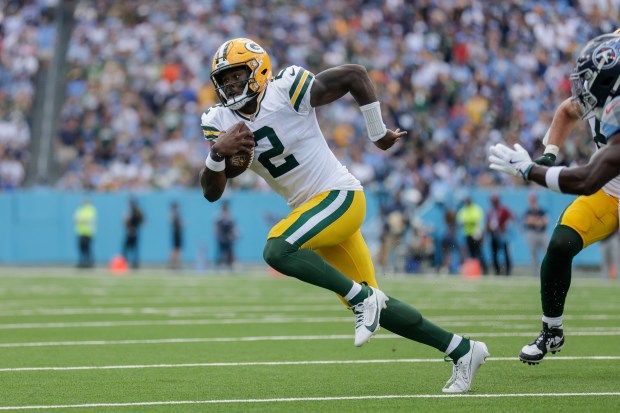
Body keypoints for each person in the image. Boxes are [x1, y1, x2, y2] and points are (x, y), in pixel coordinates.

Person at [199, 37, 488, 393]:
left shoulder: (286, 89)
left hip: (340, 196)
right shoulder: (219, 121)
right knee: (379, 306)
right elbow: (212, 192)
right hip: (312, 210)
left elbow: (355, 75)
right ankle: (462, 349)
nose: (229, 86)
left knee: (276, 249)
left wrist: (377, 131)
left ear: (258, 71)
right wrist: (216, 154)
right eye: (224, 80)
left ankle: (361, 300)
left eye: (236, 76)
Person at [488, 33, 620, 364]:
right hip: (611, 192)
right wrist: (549, 154)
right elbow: (567, 111)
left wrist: (530, 171)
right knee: (560, 245)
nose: (584, 88)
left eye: (593, 82)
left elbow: (589, 179)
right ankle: (552, 330)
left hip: (602, 181)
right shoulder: (607, 81)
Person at [456, 196, 488, 275]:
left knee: (479, 252)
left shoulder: (476, 209)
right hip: (468, 234)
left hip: (476, 234)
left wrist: (467, 222)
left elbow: (476, 221)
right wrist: (469, 222)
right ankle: (475, 270)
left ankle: (484, 269)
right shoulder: (463, 210)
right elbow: (461, 222)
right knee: (472, 253)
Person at [485, 194, 513, 276]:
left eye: (495, 201)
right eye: (493, 201)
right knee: (494, 254)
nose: (494, 203)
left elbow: (510, 219)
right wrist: (488, 229)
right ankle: (497, 271)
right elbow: (488, 223)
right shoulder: (490, 211)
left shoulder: (504, 209)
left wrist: (505, 227)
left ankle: (508, 271)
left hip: (503, 234)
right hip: (494, 235)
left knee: (506, 253)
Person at [523, 193, 549, 277]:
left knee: (546, 253)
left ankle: (546, 272)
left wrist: (536, 220)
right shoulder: (528, 211)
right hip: (532, 233)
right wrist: (538, 220)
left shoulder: (542, 210)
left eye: (533, 201)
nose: (532, 202)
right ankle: (535, 274)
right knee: (533, 254)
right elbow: (528, 221)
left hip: (542, 233)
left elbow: (546, 221)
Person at [74, 198, 96, 268]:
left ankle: (89, 262)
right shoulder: (80, 210)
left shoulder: (91, 210)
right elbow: (76, 220)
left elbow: (90, 220)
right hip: (81, 232)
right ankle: (82, 262)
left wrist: (82, 221)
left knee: (88, 249)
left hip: (88, 233)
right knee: (81, 248)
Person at [214, 201, 238, 270]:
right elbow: (216, 229)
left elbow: (233, 229)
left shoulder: (230, 219)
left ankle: (230, 264)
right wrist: (218, 236)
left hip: (228, 238)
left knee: (229, 252)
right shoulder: (219, 219)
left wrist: (233, 235)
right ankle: (220, 265)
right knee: (221, 252)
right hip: (222, 238)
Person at [122, 198, 144, 269]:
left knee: (131, 248)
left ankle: (134, 264)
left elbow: (142, 220)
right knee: (129, 248)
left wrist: (135, 228)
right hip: (130, 231)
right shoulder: (132, 211)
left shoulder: (136, 211)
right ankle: (128, 263)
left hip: (133, 231)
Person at [169, 201, 183, 270]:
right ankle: (174, 265)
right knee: (176, 249)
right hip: (176, 234)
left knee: (177, 249)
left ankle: (175, 265)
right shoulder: (174, 214)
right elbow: (175, 224)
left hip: (177, 233)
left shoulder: (175, 214)